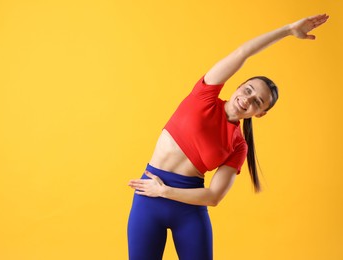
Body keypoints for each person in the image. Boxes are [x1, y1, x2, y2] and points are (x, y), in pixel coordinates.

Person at [127, 14, 329, 260]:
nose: (248, 99)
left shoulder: (239, 145)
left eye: (257, 102)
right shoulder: (205, 95)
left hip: (187, 209)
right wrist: (287, 30)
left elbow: (213, 197)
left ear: (261, 113)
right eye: (248, 90)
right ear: (237, 86)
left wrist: (164, 191)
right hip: (148, 200)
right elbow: (243, 52)